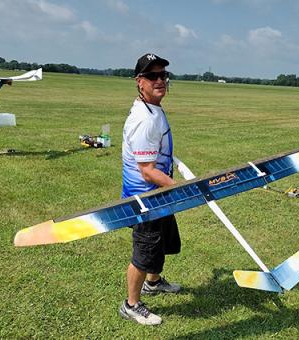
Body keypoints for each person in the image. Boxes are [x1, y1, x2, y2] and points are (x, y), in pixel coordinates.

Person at [119, 53, 181, 325]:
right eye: (152, 76)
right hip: (145, 199)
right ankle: (131, 304)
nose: (160, 80)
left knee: (163, 242)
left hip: (158, 194)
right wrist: (182, 188)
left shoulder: (153, 109)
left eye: (163, 75)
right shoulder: (144, 120)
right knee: (144, 252)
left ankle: (153, 284)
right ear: (139, 82)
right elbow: (146, 171)